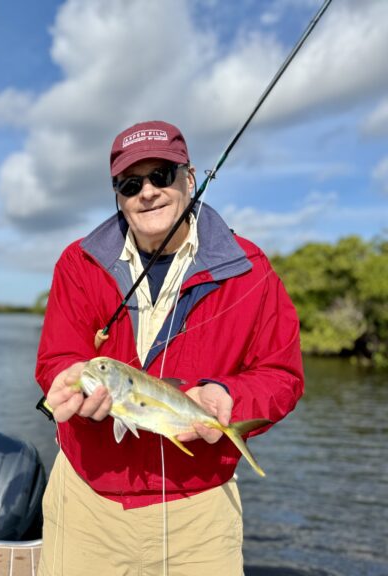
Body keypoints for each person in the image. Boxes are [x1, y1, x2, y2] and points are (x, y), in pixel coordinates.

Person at [35, 120, 303, 576]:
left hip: (199, 511)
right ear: (117, 193)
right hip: (86, 501)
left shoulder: (250, 269)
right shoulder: (77, 264)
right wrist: (65, 380)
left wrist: (229, 398)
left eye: (162, 175)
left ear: (190, 177)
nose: (148, 192)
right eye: (130, 183)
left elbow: (282, 374)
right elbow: (57, 358)